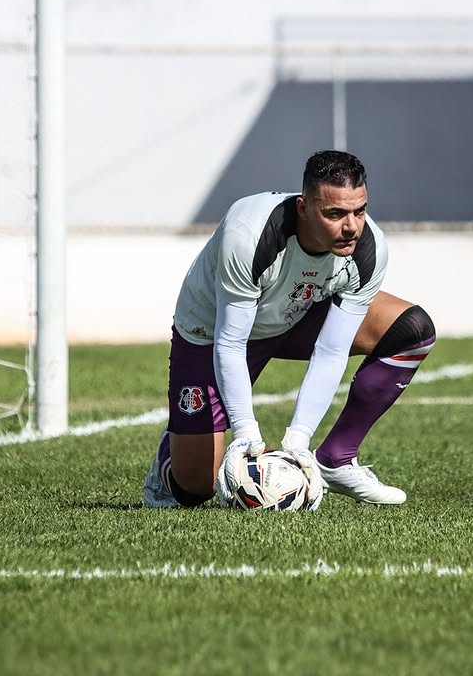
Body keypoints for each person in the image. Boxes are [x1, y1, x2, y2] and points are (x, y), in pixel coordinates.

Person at [143, 150, 436, 508]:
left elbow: (331, 350)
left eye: (359, 211)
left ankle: (337, 460)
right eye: (334, 214)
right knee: (195, 486)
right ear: (303, 208)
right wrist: (245, 433)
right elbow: (231, 342)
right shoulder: (250, 233)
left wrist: (298, 439)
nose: (351, 227)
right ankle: (169, 459)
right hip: (212, 330)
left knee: (411, 330)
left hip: (297, 313)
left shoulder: (368, 247)